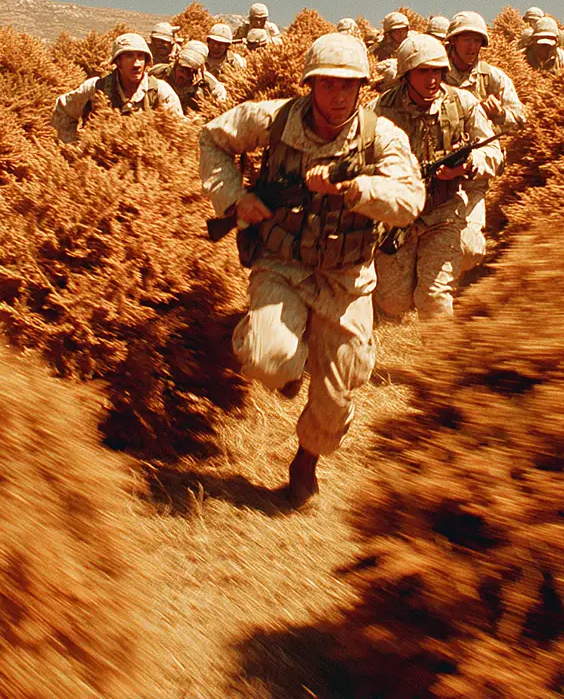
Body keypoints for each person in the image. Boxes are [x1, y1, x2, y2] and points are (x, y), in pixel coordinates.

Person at [199, 33, 424, 506]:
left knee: (337, 395)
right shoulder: (273, 119)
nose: (338, 97)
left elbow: (409, 202)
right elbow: (212, 138)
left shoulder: (381, 136)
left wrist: (357, 189)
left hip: (347, 278)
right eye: (327, 86)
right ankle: (284, 357)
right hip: (281, 264)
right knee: (268, 357)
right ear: (310, 85)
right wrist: (236, 198)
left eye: (349, 87)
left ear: (361, 87)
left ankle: (306, 459)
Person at [371, 34, 502, 321]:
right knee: (393, 301)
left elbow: (494, 152)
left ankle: (442, 360)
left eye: (437, 71)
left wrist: (467, 165)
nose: (432, 79)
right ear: (406, 74)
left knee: (434, 296)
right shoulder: (379, 109)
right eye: (423, 71)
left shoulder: (463, 103)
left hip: (444, 211)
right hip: (398, 215)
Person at [52, 32, 183, 143]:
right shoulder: (96, 88)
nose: (137, 64)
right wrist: (71, 144)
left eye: (140, 56)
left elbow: (179, 131)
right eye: (129, 56)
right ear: (118, 62)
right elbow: (64, 109)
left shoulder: (160, 91)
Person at [445, 12, 526, 130]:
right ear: (453, 41)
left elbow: (521, 119)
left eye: (477, 41)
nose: (472, 46)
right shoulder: (437, 75)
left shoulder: (493, 77)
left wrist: (500, 115)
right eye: (467, 40)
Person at [151, 40, 227, 112]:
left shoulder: (208, 83)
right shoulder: (159, 72)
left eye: (190, 70)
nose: (184, 74)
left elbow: (221, 101)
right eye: (181, 69)